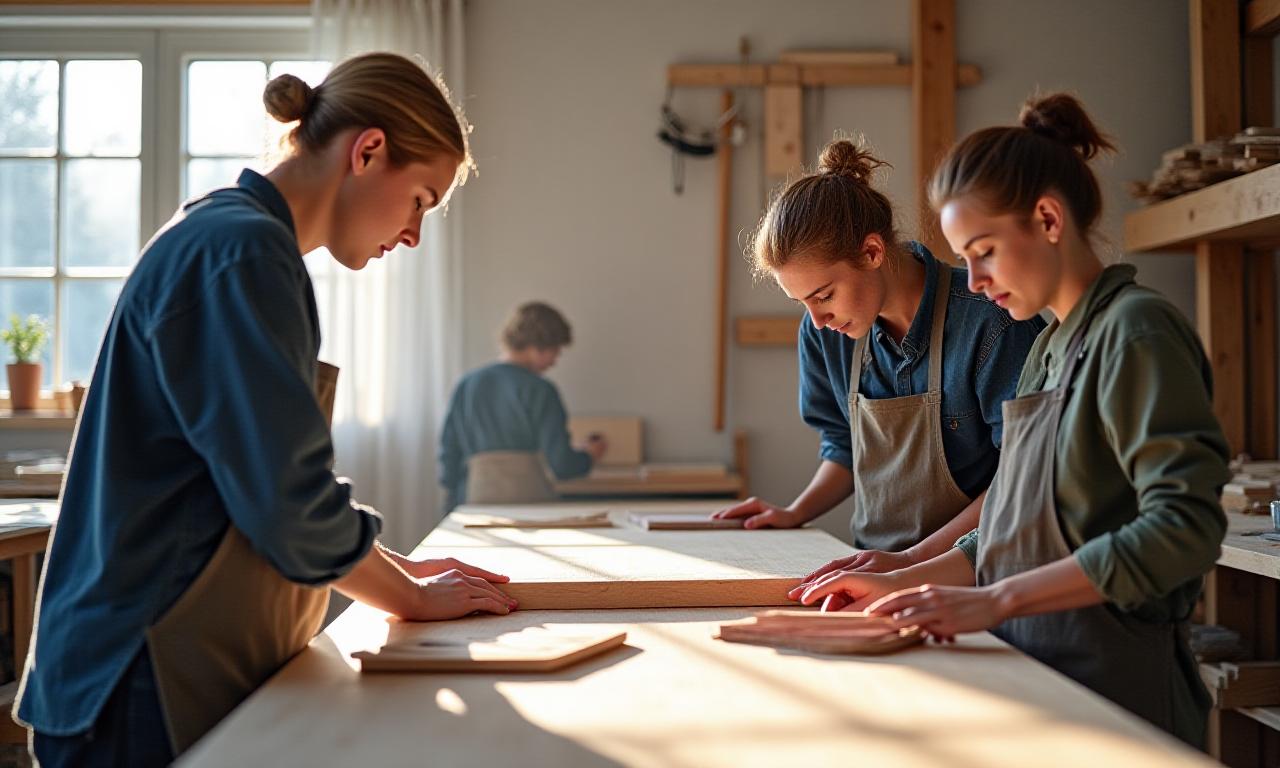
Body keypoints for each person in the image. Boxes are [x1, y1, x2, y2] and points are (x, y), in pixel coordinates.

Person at [15, 53, 517, 767]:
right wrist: (408, 597)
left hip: (144, 664)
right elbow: (288, 503)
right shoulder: (243, 253)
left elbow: (258, 477)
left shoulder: (234, 237)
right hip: (136, 677)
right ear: (368, 151)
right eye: (420, 200)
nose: (413, 234)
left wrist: (401, 571)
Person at [796, 94, 1229, 747]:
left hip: (1120, 685)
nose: (972, 281)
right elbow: (1008, 531)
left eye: (984, 251)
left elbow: (1183, 528)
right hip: (1041, 671)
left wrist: (997, 600)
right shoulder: (1049, 347)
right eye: (964, 257)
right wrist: (902, 580)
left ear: (1049, 220)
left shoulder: (1135, 332)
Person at [714, 139, 1044, 579]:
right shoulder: (826, 334)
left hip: (977, 577)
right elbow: (844, 446)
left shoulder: (992, 322)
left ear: (872, 252)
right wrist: (795, 512)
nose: (817, 320)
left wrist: (913, 562)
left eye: (824, 296)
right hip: (876, 575)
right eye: (802, 303)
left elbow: (1021, 475)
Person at [439, 301, 606, 511]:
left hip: (473, 502)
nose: (555, 360)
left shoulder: (468, 385)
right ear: (539, 346)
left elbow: (449, 459)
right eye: (556, 350)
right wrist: (590, 455)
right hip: (530, 504)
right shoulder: (541, 390)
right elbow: (562, 465)